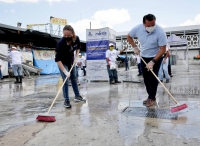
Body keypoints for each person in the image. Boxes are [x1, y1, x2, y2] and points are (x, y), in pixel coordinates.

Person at [127, 14, 167, 107]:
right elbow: (129, 36)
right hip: (144, 56)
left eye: (153, 25)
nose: (151, 27)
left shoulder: (160, 32)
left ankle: (151, 97)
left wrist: (153, 61)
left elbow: (162, 49)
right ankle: (151, 95)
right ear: (143, 24)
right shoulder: (137, 28)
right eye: (149, 26)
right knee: (146, 78)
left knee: (153, 76)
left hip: (157, 56)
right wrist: (135, 47)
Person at [55, 25, 86, 108]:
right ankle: (66, 100)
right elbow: (58, 59)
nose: (66, 37)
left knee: (74, 78)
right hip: (62, 62)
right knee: (65, 80)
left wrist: (76, 57)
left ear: (73, 34)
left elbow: (78, 48)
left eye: (68, 35)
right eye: (65, 35)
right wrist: (65, 71)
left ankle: (77, 96)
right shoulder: (60, 43)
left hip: (71, 61)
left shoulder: (76, 39)